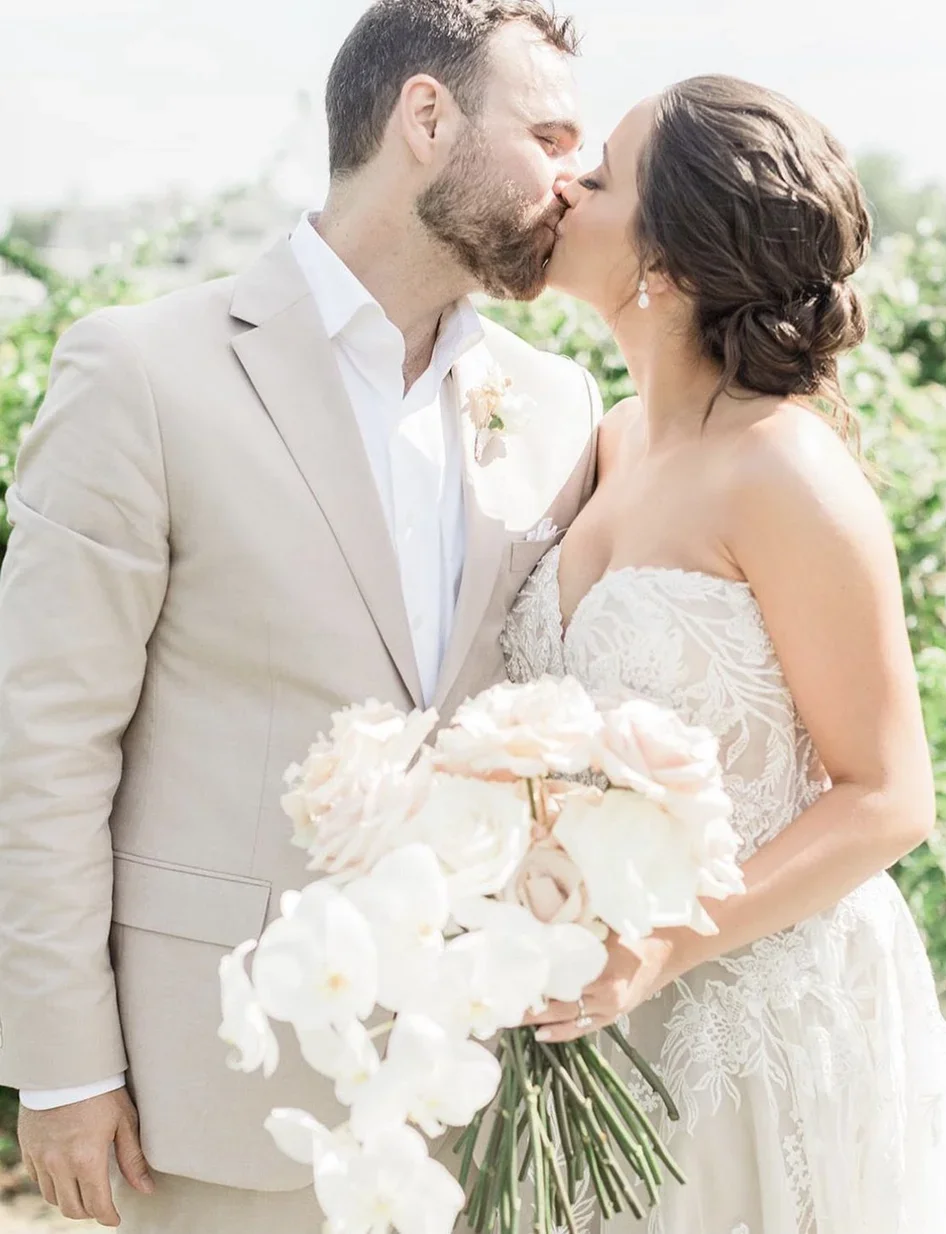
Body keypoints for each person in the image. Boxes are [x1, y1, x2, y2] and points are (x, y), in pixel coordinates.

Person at [0, 2, 602, 1230]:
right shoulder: (145, 371)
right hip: (213, 1094)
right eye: (547, 135)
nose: (575, 178)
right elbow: (41, 740)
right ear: (425, 118)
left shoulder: (558, 402)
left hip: (484, 1090)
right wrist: (61, 1062)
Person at [505, 76, 946, 1232]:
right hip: (600, 1004)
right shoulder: (610, 441)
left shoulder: (786, 470)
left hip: (759, 1012)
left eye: (604, 175)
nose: (568, 183)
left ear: (664, 266)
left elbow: (888, 795)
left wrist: (663, 946)